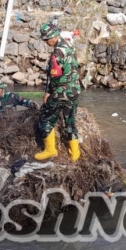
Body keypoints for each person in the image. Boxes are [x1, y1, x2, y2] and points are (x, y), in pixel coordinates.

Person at [35, 22, 82, 162]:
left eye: (46, 39)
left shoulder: (56, 53)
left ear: (53, 37)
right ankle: (75, 154)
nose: (45, 42)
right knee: (70, 121)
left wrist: (48, 93)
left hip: (61, 92)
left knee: (45, 117)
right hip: (74, 90)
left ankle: (50, 150)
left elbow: (55, 77)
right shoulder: (68, 45)